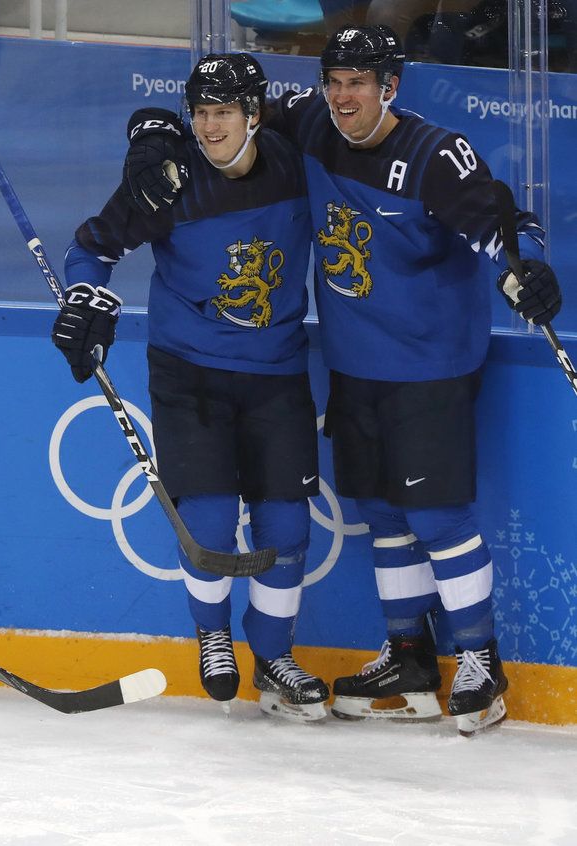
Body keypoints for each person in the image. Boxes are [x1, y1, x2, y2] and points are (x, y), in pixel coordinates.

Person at [123, 25, 562, 736]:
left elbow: (493, 220)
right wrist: (150, 133)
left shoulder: (434, 154)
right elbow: (222, 105)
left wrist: (521, 268)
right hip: (355, 368)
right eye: (335, 79)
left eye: (359, 81)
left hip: (428, 367)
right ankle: (412, 659)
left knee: (437, 517)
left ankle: (481, 658)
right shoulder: (310, 119)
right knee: (384, 516)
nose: (344, 94)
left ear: (391, 86)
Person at [52, 54, 330, 722]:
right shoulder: (169, 180)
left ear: (254, 115)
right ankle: (212, 635)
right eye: (200, 113)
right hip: (190, 372)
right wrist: (85, 296)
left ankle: (274, 655)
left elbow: (347, 113)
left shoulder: (296, 162)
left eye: (224, 113)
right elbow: (90, 248)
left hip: (277, 370)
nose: (209, 128)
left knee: (287, 525)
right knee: (206, 523)